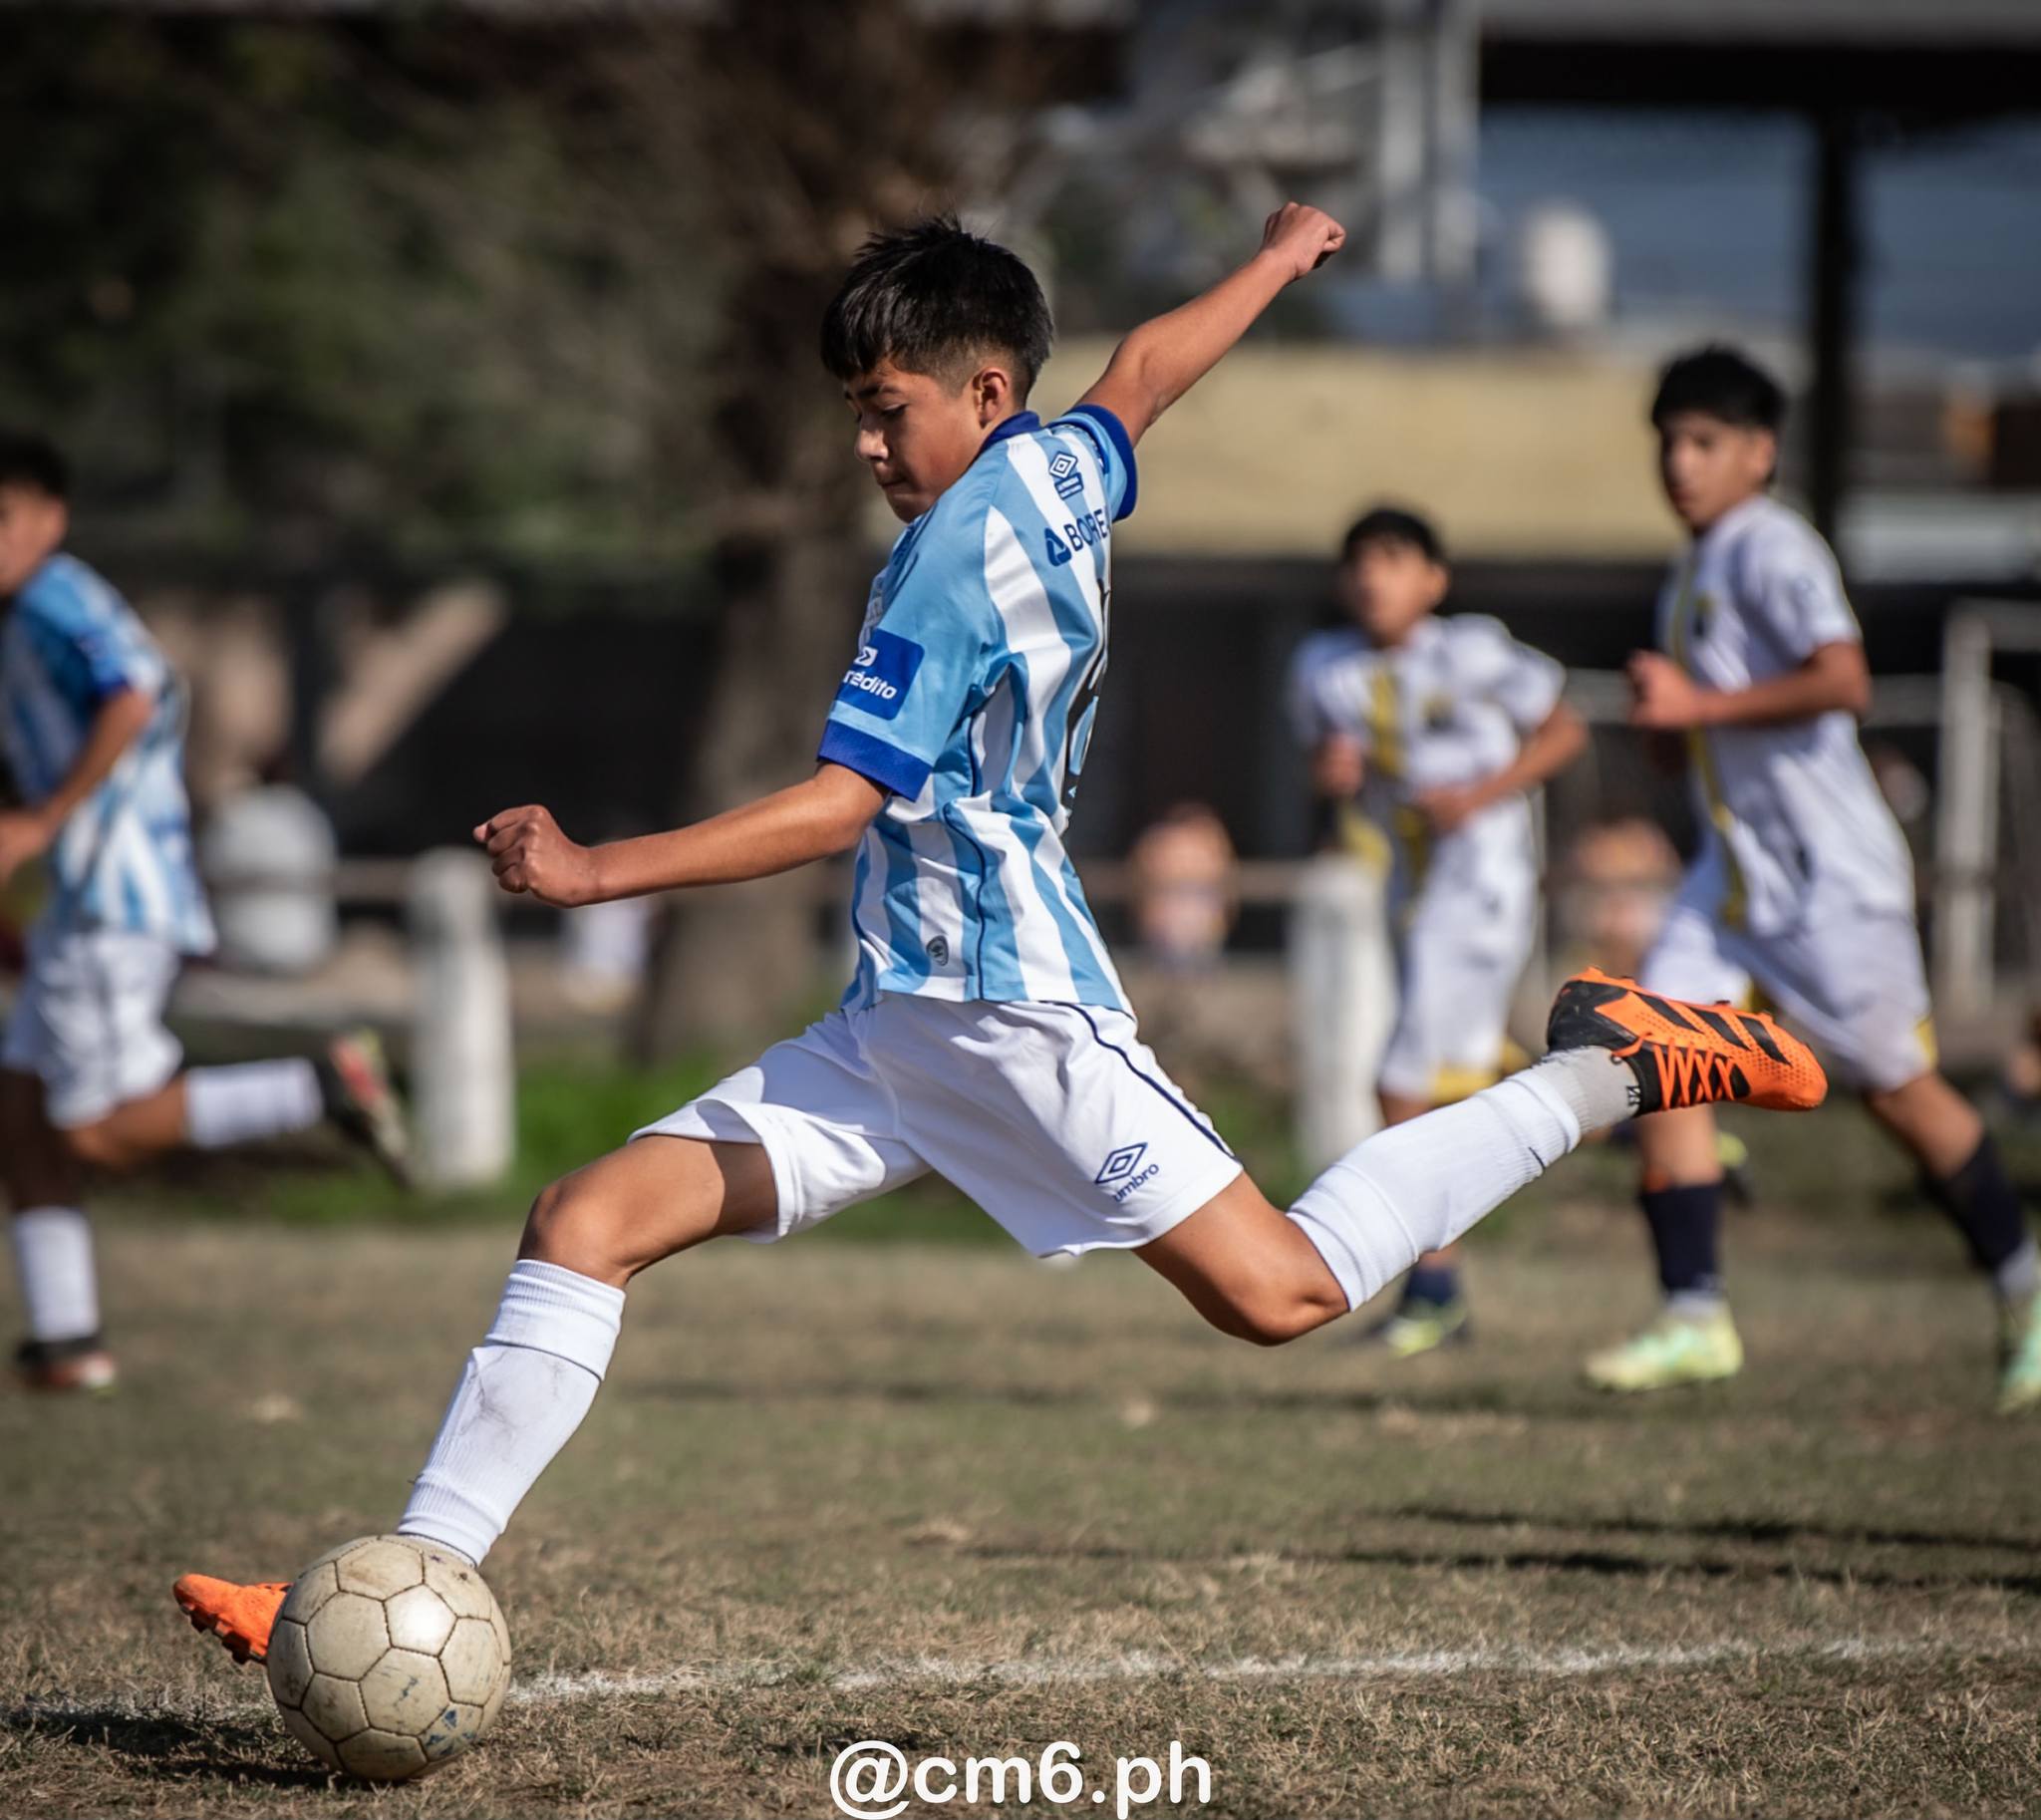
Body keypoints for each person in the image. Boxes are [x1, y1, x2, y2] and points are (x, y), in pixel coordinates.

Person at [173, 210, 1826, 1664]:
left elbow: (833, 807)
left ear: (973, 394)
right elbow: (1145, 375)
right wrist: (1268, 259)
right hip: (900, 1026)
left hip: (1014, 1008)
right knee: (585, 1215)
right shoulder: (1052, 465)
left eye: (882, 413)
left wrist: (598, 870)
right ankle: (393, 1588)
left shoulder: (941, 566)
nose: (865, 450)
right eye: (852, 416)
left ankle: (1607, 1071)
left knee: (1283, 1291)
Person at [1583, 345, 2041, 1410]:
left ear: (1758, 452)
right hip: (1733, 876)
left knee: (1896, 1091)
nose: (1679, 463)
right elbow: (1705, 726)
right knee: (1653, 1046)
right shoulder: (1690, 568)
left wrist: (1695, 706)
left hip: (1826, 881)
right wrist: (1669, 723)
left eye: (1703, 442)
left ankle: (2024, 1288)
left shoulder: (1769, 543)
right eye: (1668, 442)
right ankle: (1692, 1312)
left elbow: (1842, 677)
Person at [0, 432, 411, 1394]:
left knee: (90, 1129)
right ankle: (66, 1341)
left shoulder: (59, 597)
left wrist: (41, 820)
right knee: (18, 1112)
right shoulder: (20, 613)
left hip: (113, 893)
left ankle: (318, 1088)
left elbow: (135, 697)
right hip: (83, 896)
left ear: (50, 519)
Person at [1289, 506, 1586, 1355]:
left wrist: (1483, 794)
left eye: (1393, 558)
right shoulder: (1324, 667)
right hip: (1408, 885)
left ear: (1434, 578)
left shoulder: (1473, 649)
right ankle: (1633, 1100)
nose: (1373, 577)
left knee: (1401, 1080)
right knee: (1471, 1070)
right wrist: (1331, 774)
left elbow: (1564, 730)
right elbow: (1327, 765)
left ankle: (1434, 1289)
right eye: (1360, 563)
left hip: (1483, 880)